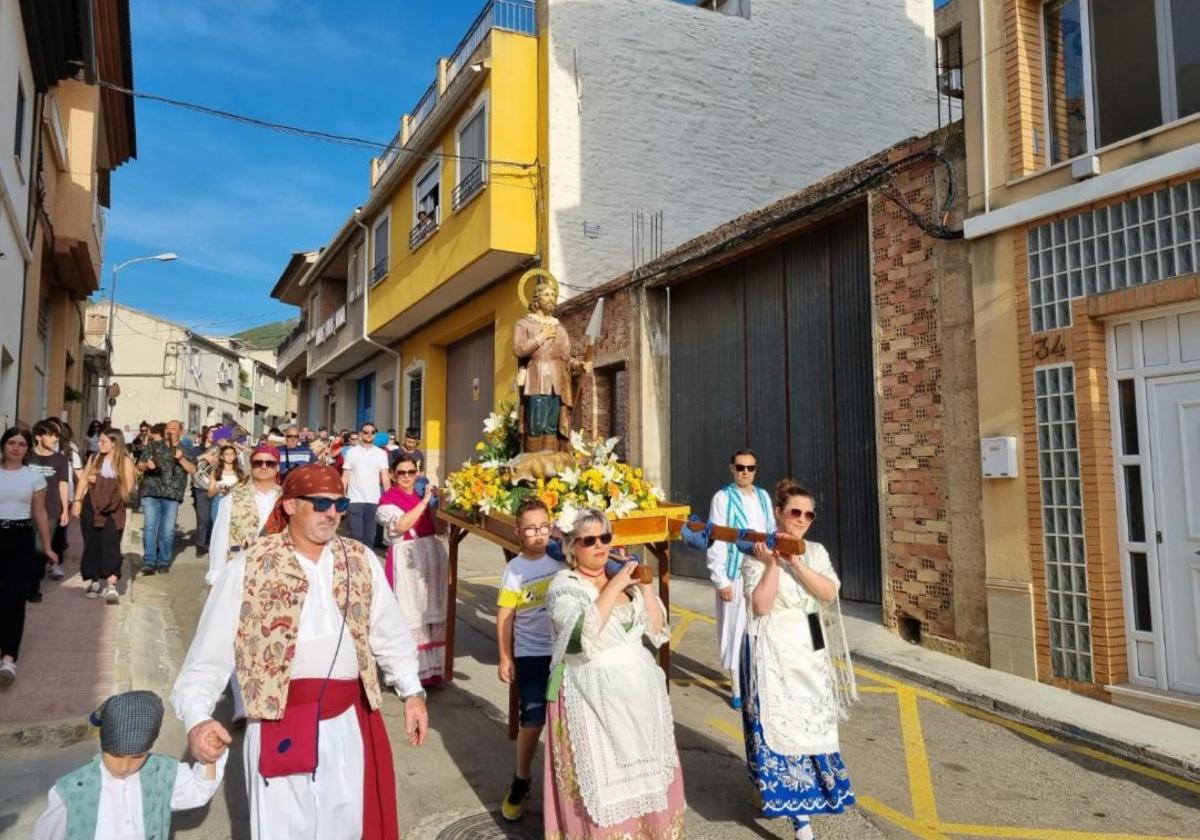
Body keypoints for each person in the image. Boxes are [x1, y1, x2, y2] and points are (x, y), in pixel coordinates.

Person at [171, 464, 430, 840]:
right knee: (283, 829)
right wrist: (197, 718)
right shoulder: (249, 565)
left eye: (340, 503)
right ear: (290, 505)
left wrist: (412, 692)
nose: (333, 513)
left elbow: (389, 634)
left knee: (346, 825)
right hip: (277, 719)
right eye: (321, 503)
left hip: (348, 721)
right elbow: (208, 657)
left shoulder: (359, 559)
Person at [543, 508, 684, 837]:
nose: (599, 545)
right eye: (588, 540)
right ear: (571, 548)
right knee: (602, 796)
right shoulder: (564, 586)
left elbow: (657, 629)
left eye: (604, 538)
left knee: (650, 784)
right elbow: (580, 634)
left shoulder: (626, 582)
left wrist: (644, 585)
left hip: (640, 700)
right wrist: (613, 584)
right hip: (591, 698)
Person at [741, 480, 857, 840]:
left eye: (809, 514)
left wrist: (797, 562)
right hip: (774, 648)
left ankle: (810, 796)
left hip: (811, 646)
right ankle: (800, 818)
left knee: (813, 725)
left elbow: (828, 592)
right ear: (778, 513)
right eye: (795, 512)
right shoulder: (755, 553)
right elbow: (760, 605)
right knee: (778, 726)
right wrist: (773, 563)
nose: (802, 519)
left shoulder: (816, 551)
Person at [32, 690, 224, 840]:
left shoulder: (161, 773)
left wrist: (211, 756)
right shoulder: (71, 790)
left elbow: (198, 790)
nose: (123, 767)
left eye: (137, 756)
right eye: (115, 755)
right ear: (103, 743)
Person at [495, 498, 565, 822]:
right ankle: (521, 778)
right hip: (531, 653)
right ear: (519, 532)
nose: (538, 534)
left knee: (567, 721)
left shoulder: (562, 559)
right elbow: (506, 614)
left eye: (543, 527)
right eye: (531, 529)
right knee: (533, 719)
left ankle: (567, 786)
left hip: (564, 650)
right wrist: (505, 656)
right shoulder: (516, 569)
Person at [706, 449, 775, 711]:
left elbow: (770, 530)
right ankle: (738, 688)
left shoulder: (764, 496)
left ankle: (758, 683)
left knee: (761, 627)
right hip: (734, 571)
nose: (745, 472)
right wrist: (720, 579)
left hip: (760, 570)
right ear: (732, 469)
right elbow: (716, 539)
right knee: (736, 629)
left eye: (750, 468)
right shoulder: (722, 498)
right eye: (740, 467)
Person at [375, 454, 447, 686]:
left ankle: (432, 671)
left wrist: (441, 506)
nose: (407, 477)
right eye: (402, 473)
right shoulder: (387, 500)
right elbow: (401, 525)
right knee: (407, 617)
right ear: (394, 476)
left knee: (430, 614)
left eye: (411, 472)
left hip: (429, 558)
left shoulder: (419, 496)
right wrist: (424, 502)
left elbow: (439, 528)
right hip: (406, 562)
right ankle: (407, 674)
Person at [0, 427, 58, 686]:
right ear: (3, 445)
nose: (15, 447)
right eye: (11, 442)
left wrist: (47, 547)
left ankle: (9, 657)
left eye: (21, 444)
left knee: (14, 599)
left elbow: (41, 514)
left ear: (27, 449)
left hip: (20, 538)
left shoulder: (33, 478)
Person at [513, 276, 589, 453]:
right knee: (536, 424)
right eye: (547, 294)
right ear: (536, 299)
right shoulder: (524, 324)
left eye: (553, 295)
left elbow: (566, 357)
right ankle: (531, 461)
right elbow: (518, 350)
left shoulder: (559, 328)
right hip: (535, 377)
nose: (551, 298)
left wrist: (579, 365)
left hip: (557, 380)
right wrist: (541, 336)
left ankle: (549, 460)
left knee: (552, 426)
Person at [73, 429, 137, 605]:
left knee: (111, 544)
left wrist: (101, 481)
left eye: (103, 442)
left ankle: (111, 584)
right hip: (91, 506)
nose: (99, 444)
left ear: (115, 443)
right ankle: (94, 581)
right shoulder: (95, 458)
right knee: (92, 543)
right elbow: (84, 479)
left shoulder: (125, 462)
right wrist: (77, 500)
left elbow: (128, 489)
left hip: (114, 510)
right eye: (99, 441)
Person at [136, 420, 197, 576]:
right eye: (167, 428)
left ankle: (163, 561)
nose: (169, 431)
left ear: (180, 432)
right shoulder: (153, 446)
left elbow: (193, 470)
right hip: (152, 491)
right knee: (150, 527)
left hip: (172, 495)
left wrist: (181, 459)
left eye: (173, 429)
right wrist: (146, 465)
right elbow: (139, 465)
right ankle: (149, 561)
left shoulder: (186, 449)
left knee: (167, 531)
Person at [27, 420, 71, 596]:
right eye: (51, 435)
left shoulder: (60, 459)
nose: (54, 439)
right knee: (25, 549)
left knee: (41, 550)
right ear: (38, 436)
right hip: (26, 510)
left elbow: (63, 484)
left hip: (51, 510)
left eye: (56, 436)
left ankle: (33, 587)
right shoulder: (27, 456)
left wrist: (65, 510)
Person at [342, 421, 389, 547]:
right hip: (354, 500)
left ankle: (367, 565)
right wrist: (342, 497)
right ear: (360, 434)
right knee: (356, 536)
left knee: (369, 538)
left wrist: (389, 498)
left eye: (372, 432)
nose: (369, 434)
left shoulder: (381, 453)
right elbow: (345, 476)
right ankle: (355, 564)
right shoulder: (351, 452)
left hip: (374, 500)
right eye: (366, 432)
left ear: (375, 435)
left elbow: (385, 478)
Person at [189, 426, 220, 555]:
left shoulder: (221, 449)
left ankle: (210, 543)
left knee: (214, 517)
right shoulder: (197, 449)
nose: (214, 434)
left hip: (217, 486)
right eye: (212, 432)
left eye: (217, 433)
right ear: (206, 434)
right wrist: (204, 456)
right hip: (200, 487)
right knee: (203, 518)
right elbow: (190, 463)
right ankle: (200, 545)